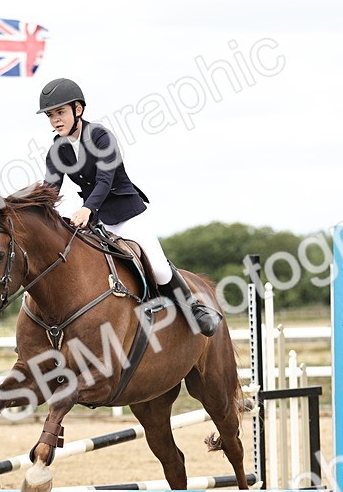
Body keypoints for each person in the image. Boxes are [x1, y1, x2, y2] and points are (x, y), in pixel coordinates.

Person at [36, 77, 222, 337]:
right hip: (96, 221)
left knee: (156, 267)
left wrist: (87, 208)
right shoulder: (57, 149)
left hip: (126, 214)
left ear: (78, 110)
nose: (56, 120)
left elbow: (104, 179)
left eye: (61, 112)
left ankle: (195, 309)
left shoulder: (100, 136)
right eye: (51, 115)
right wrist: (33, 211)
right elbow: (50, 188)